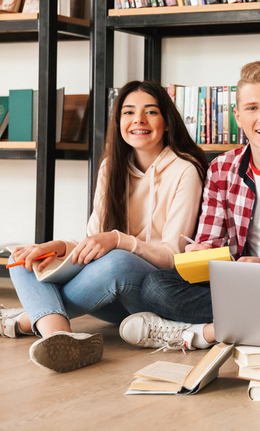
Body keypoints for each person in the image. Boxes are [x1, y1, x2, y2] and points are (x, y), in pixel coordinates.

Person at [119, 61, 260, 352]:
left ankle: (210, 332)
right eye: (252, 108)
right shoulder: (222, 168)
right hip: (239, 285)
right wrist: (201, 252)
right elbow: (210, 242)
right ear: (238, 116)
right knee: (155, 286)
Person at [3, 81, 209, 372]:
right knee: (21, 258)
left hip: (152, 292)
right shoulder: (111, 166)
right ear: (118, 122)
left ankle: (28, 319)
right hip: (108, 295)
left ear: (166, 123)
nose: (138, 120)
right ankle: (59, 338)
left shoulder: (185, 169)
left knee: (117, 261)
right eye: (128, 112)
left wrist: (119, 240)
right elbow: (93, 243)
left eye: (150, 112)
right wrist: (59, 247)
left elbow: (172, 256)